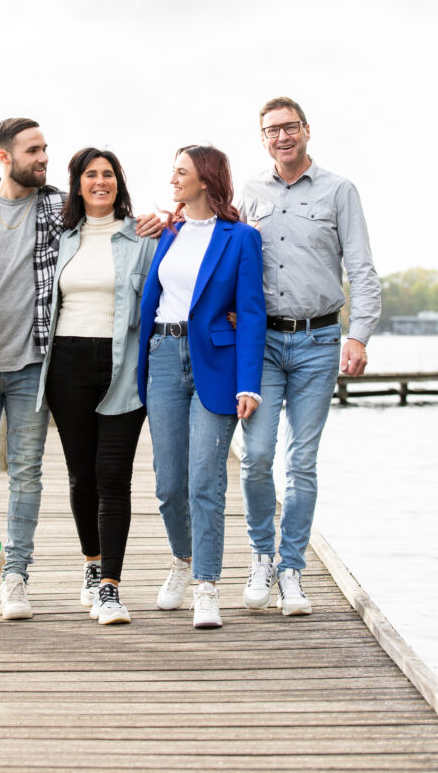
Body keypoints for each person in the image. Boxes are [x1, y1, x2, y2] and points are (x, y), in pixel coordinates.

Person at [0, 119, 161, 620]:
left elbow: (154, 249)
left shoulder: (71, 212)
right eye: (34, 150)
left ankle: (28, 576)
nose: (44, 157)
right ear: (4, 155)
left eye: (47, 148)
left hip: (42, 363)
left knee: (41, 472)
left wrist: (170, 217)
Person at [239, 97, 381, 616]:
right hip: (262, 345)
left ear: (306, 131)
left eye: (289, 127)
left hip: (320, 342)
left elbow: (362, 269)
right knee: (255, 457)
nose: (282, 136)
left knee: (301, 461)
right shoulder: (249, 192)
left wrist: (359, 335)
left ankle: (292, 568)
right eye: (271, 130)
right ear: (263, 138)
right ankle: (261, 555)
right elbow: (227, 256)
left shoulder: (339, 190)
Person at [138, 145, 266, 629]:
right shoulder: (164, 232)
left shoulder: (241, 238)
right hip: (164, 358)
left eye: (181, 172)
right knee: (169, 484)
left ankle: (207, 585)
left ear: (206, 180)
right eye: (172, 171)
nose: (173, 179)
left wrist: (248, 383)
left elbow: (251, 312)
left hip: (216, 361)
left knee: (205, 482)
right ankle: (182, 560)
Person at [36, 148, 157, 625]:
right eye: (91, 175)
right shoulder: (62, 238)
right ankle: (91, 564)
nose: (100, 182)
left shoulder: (143, 237)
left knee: (114, 476)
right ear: (78, 184)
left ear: (118, 183)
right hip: (66, 364)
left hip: (122, 364)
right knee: (80, 475)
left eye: (108, 174)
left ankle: (111, 586)